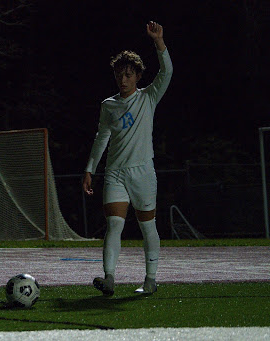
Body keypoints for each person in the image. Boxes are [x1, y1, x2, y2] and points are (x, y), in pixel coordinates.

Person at [82, 21, 173, 296]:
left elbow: (167, 71)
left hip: (142, 172)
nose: (123, 79)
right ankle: (109, 278)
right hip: (115, 173)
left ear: (138, 76)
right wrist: (90, 169)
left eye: (128, 75)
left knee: (148, 227)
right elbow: (102, 138)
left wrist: (159, 42)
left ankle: (151, 279)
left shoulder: (148, 97)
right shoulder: (108, 105)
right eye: (119, 74)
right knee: (114, 225)